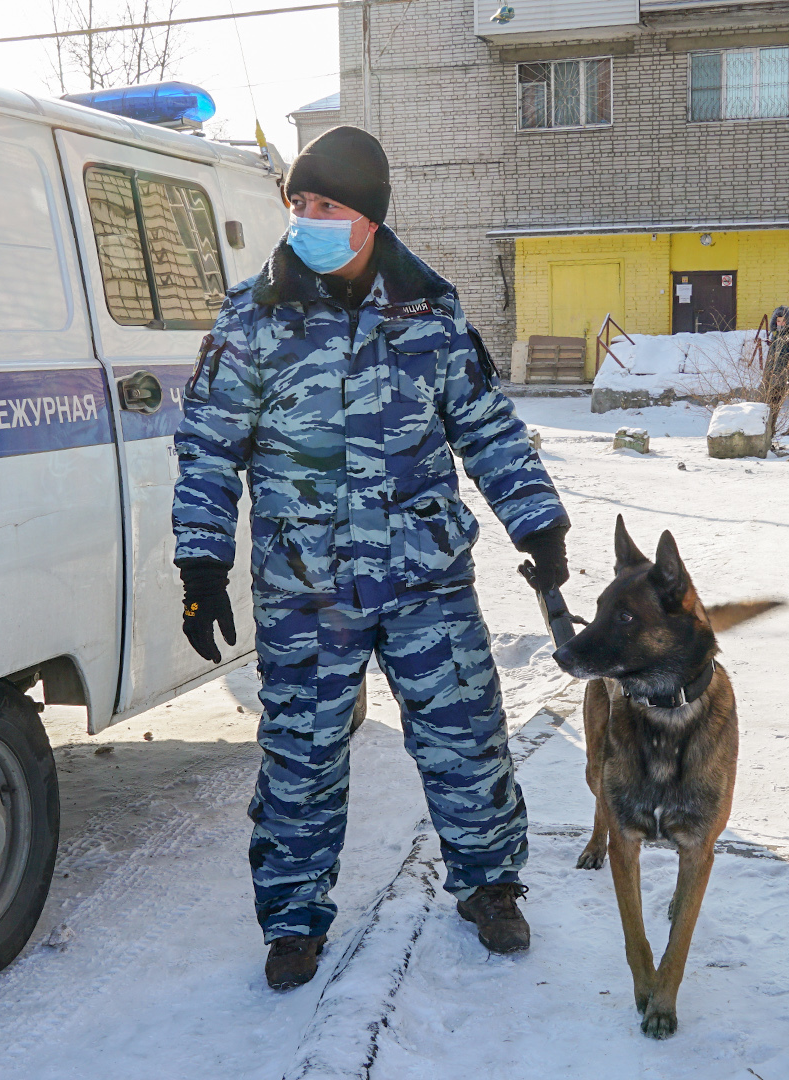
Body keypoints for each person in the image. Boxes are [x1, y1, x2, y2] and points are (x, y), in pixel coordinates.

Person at [172, 126, 571, 992]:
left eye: (326, 205)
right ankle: (292, 921)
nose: (306, 219)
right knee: (301, 758)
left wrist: (538, 524)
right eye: (299, 204)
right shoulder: (254, 317)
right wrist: (200, 568)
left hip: (425, 576)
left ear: (369, 218)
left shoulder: (429, 309)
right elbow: (207, 448)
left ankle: (491, 886)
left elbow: (486, 427)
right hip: (306, 587)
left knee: (466, 738)